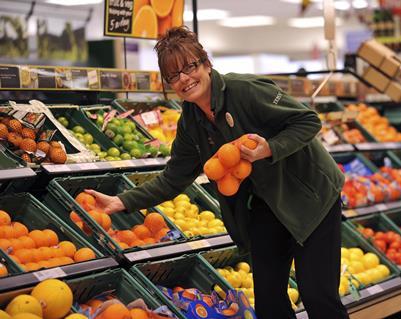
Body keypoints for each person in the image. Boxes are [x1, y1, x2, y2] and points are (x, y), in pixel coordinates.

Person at [86, 26, 348, 319]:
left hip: (310, 196)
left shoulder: (245, 91)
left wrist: (269, 148)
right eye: (174, 75)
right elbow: (174, 178)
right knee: (269, 302)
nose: (185, 78)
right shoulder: (190, 124)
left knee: (317, 295)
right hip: (266, 204)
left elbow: (308, 120)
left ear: (206, 64)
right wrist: (120, 202)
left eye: (190, 67)